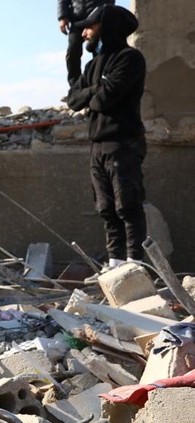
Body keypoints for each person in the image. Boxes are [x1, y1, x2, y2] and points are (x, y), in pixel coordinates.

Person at [66, 5, 147, 273]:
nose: (85, 32)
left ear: (107, 27)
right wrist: (95, 88)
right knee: (106, 209)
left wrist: (94, 93)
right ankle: (116, 266)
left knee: (128, 207)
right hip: (97, 146)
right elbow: (75, 100)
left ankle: (135, 267)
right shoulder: (91, 66)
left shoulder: (130, 58)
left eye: (90, 26)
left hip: (123, 144)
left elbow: (105, 99)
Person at [58, 0, 115, 86]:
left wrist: (106, 11)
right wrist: (62, 17)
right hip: (77, 18)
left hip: (97, 18)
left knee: (99, 53)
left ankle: (97, 83)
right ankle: (75, 86)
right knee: (72, 51)